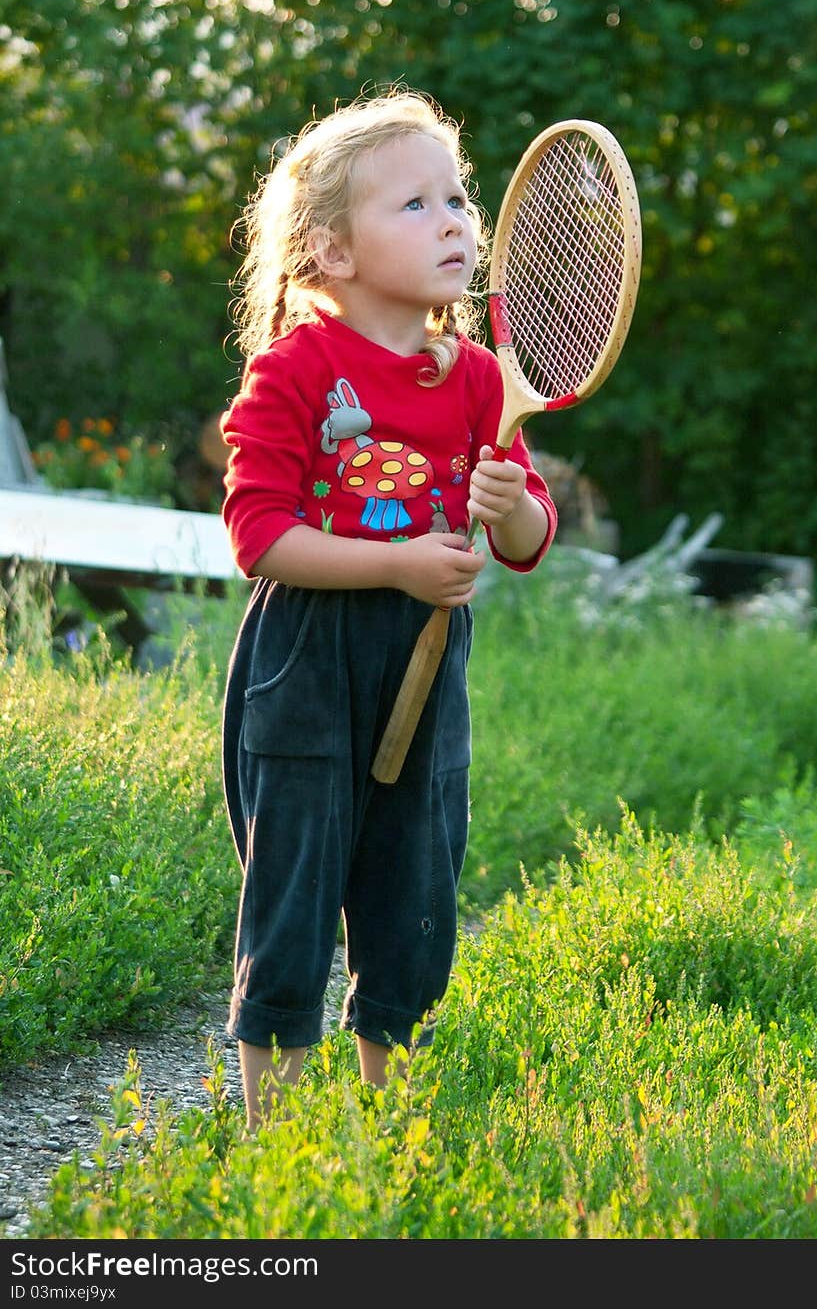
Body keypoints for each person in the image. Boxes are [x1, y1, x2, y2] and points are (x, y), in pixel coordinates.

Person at [219, 84, 558, 1130]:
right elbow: (259, 536)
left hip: (425, 665)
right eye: (416, 205)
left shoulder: (478, 381)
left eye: (458, 199)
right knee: (293, 900)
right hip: (307, 664)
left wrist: (506, 512)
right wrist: (400, 564)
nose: (455, 220)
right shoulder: (297, 369)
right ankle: (273, 1146)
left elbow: (529, 535)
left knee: (412, 898)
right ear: (330, 250)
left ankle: (385, 1130)